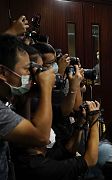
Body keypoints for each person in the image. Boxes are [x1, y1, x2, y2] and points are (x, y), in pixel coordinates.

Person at [0, 34, 55, 180]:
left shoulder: (5, 101)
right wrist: (46, 88)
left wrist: (27, 97)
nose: (29, 75)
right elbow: (41, 137)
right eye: (26, 69)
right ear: (3, 72)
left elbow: (25, 134)